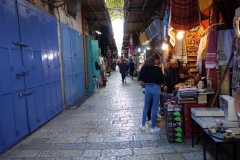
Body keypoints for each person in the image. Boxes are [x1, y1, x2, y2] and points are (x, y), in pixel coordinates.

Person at [138, 56, 164, 133]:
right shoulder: (158, 69)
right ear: (153, 62)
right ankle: (153, 127)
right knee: (155, 108)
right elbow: (162, 80)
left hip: (148, 88)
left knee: (146, 106)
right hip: (156, 88)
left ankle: (142, 125)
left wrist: (145, 85)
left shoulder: (143, 68)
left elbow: (140, 80)